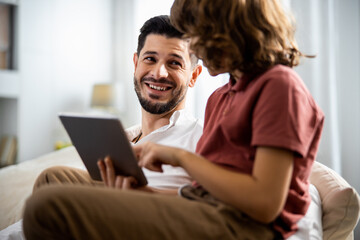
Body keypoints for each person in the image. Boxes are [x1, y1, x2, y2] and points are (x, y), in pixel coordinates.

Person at [22, 1, 325, 239]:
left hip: (242, 229)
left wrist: (180, 157)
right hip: (206, 212)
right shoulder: (222, 97)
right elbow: (203, 195)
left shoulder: (280, 86)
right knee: (53, 179)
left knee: (46, 208)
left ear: (228, 29)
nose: (194, 45)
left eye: (196, 33)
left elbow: (264, 203)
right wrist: (147, 194)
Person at [0, 15, 203, 239]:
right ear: (135, 64)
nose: (158, 73)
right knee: (52, 178)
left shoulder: (200, 136)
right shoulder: (119, 139)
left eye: (174, 63)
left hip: (144, 224)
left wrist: (142, 195)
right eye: (150, 59)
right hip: (98, 214)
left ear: (193, 75)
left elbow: (208, 207)